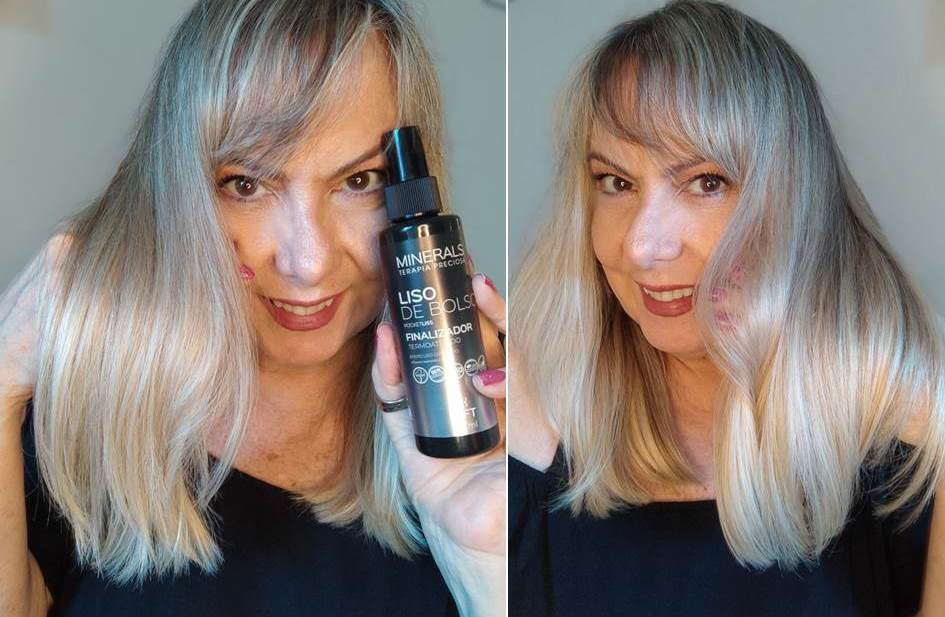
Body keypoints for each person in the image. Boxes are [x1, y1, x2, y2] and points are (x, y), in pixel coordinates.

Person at [0, 1, 506, 615]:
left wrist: (486, 567)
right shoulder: (76, 409)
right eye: (247, 184)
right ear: (176, 191)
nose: (308, 262)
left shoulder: (504, 438)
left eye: (358, 182)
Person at [508, 1, 945, 616]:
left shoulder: (904, 458)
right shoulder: (529, 439)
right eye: (617, 183)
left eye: (706, 183)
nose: (642, 246)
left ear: (794, 205)